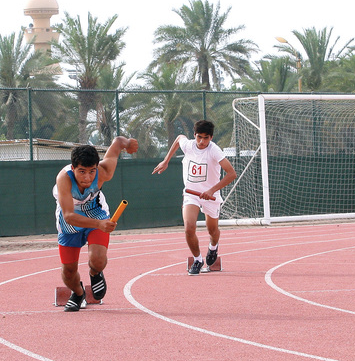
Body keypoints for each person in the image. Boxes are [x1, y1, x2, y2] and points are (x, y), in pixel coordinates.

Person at [54, 136, 139, 312]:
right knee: (69, 271)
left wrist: (128, 143)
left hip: (97, 212)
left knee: (97, 261)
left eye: (91, 171)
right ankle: (78, 293)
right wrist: (99, 225)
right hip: (70, 221)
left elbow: (116, 143)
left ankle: (95, 273)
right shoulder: (64, 179)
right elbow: (69, 216)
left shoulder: (103, 172)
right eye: (82, 171)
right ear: (73, 168)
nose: (87, 177)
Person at [152, 120, 237, 275]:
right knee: (189, 227)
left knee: (212, 230)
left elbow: (232, 174)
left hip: (211, 196)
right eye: (199, 137)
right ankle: (197, 260)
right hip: (191, 194)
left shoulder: (214, 151)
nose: (201, 141)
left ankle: (213, 246)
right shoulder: (189, 145)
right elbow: (179, 138)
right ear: (194, 135)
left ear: (211, 137)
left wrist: (211, 190)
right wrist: (166, 161)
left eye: (206, 138)